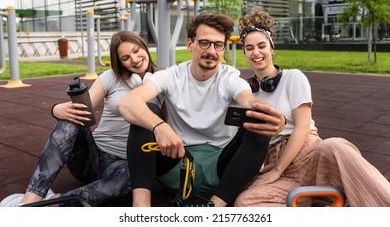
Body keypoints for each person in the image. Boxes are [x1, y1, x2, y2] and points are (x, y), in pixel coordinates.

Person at [117, 13, 286, 207]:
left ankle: (213, 208)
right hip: (176, 162)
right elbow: (128, 103)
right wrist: (160, 127)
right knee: (144, 112)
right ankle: (140, 210)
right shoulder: (171, 75)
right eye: (204, 43)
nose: (211, 51)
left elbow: (248, 100)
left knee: (258, 125)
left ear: (224, 49)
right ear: (190, 44)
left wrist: (273, 117)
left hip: (221, 172)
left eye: (218, 45)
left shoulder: (230, 78)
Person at [234, 5, 390, 207]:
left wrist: (276, 170)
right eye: (249, 48)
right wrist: (272, 170)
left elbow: (302, 127)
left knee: (335, 146)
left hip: (309, 154)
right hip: (279, 167)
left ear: (272, 47)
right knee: (245, 203)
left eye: (261, 46)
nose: (256, 52)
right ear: (244, 52)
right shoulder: (245, 91)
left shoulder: (293, 77)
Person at [0, 31, 161, 207]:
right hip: (92, 157)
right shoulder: (110, 77)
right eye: (125, 57)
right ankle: (29, 202)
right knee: (73, 116)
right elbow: (84, 108)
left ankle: (51, 203)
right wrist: (56, 109)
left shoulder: (163, 80)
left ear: (145, 47)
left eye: (137, 50)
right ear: (119, 62)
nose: (135, 59)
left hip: (125, 166)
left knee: (134, 181)